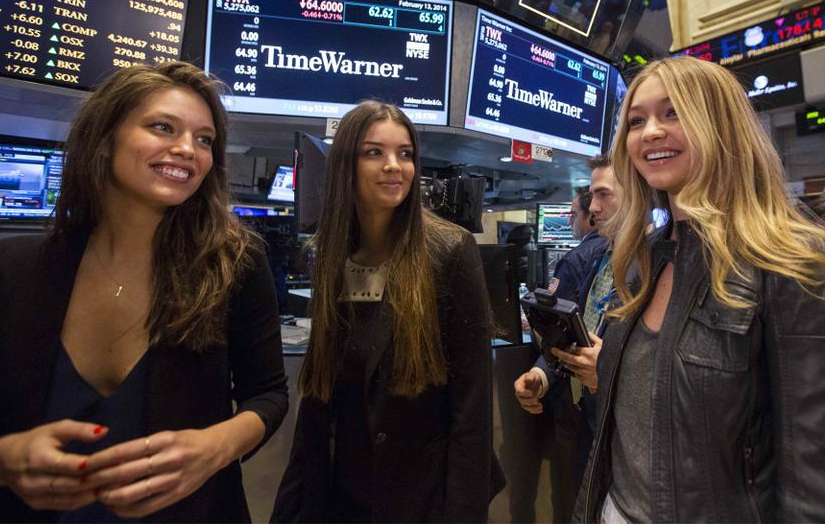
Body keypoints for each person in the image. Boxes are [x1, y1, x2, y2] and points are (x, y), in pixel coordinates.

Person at [0, 62, 289, 522]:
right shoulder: (6, 270)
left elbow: (267, 395)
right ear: (105, 139)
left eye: (204, 139)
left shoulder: (235, 267)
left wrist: (216, 447)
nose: (187, 149)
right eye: (163, 127)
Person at [575, 56, 825, 522]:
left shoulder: (792, 259)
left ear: (721, 126)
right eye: (637, 120)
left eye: (673, 112)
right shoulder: (642, 257)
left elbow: (811, 461)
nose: (650, 132)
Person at [271, 101, 504, 523]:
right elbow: (320, 395)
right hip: (340, 488)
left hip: (418, 494)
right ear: (346, 164)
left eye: (406, 153)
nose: (394, 166)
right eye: (374, 152)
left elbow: (472, 409)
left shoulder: (450, 251)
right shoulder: (329, 253)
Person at [511, 158, 620, 520]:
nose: (594, 208)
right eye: (591, 197)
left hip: (623, 437)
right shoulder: (598, 258)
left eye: (603, 195)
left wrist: (603, 375)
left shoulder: (658, 266)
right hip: (582, 420)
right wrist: (542, 374)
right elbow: (573, 333)